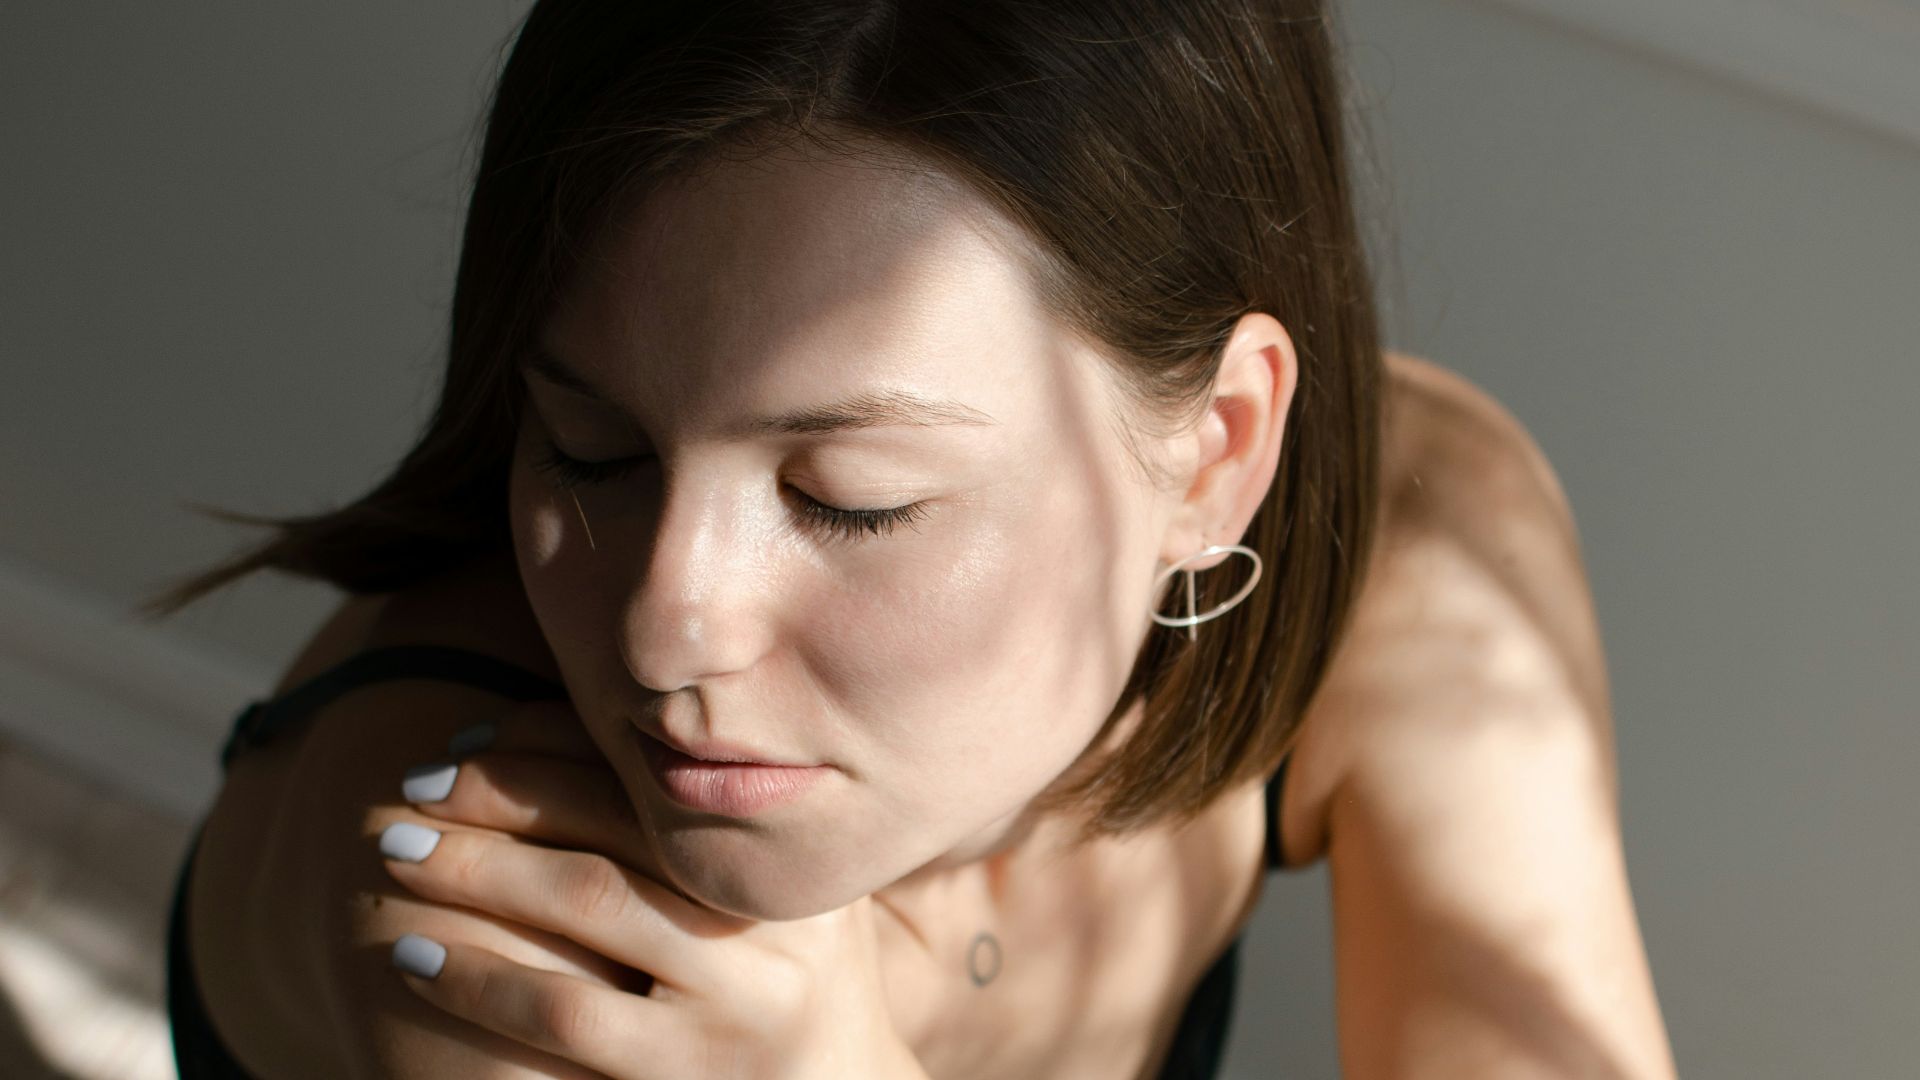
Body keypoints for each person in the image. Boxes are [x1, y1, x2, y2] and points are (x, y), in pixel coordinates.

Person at [143, 1, 1677, 1077]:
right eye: (593, 451)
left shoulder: (1421, 540)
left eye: (849, 495)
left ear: (1215, 456)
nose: (662, 627)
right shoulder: (519, 931)